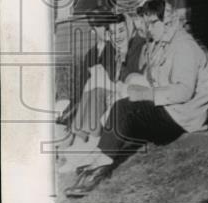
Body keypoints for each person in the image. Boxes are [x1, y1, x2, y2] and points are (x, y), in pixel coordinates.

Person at [64, 0, 208, 197]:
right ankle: (98, 155)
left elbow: (184, 92)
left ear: (168, 22)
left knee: (123, 109)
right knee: (123, 107)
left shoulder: (184, 47)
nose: (148, 28)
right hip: (169, 109)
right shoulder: (162, 44)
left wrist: (146, 94)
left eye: (152, 23)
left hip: (182, 116)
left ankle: (98, 169)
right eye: (146, 23)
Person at [56, 9, 146, 165]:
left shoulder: (134, 47)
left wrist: (114, 84)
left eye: (121, 30)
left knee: (96, 85)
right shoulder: (106, 51)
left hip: (131, 95)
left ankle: (87, 141)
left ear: (130, 27)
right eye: (112, 31)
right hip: (107, 94)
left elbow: (133, 78)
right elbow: (82, 85)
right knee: (93, 85)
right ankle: (80, 140)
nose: (116, 35)